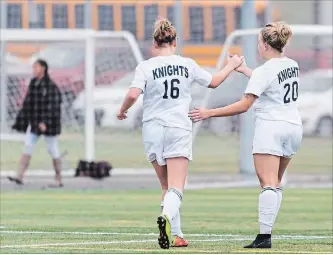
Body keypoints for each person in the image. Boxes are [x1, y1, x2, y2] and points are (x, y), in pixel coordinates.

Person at [117, 17, 244, 249]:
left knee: (166, 187)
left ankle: (176, 235)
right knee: (177, 186)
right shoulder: (186, 64)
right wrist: (231, 66)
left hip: (153, 129)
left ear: (155, 44)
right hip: (177, 127)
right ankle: (166, 220)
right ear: (174, 41)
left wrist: (122, 110)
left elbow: (134, 95)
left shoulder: (145, 67)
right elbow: (214, 82)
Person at [189, 21, 302, 249]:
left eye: (259, 42)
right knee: (276, 183)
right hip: (293, 128)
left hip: (271, 127)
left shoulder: (264, 70)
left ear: (265, 45)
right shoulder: (292, 64)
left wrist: (208, 112)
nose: (258, 46)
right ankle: (267, 233)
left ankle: (264, 237)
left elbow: (244, 105)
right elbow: (271, 83)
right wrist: (245, 70)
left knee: (267, 184)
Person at [8, 59, 63, 188]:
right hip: (35, 123)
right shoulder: (33, 83)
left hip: (48, 125)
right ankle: (19, 175)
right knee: (28, 146)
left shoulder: (51, 86)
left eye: (36, 67)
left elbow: (54, 107)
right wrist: (20, 121)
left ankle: (58, 178)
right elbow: (28, 104)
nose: (34, 70)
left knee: (53, 149)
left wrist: (46, 122)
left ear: (43, 68)